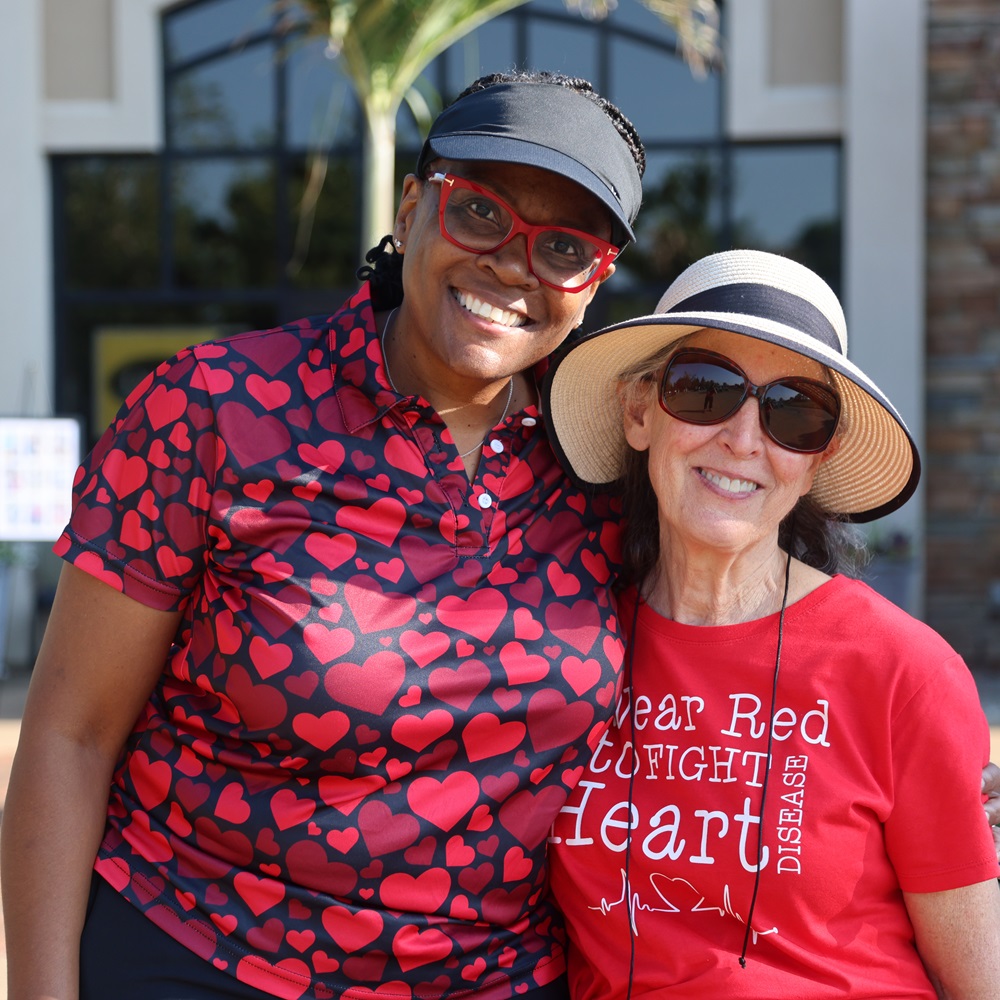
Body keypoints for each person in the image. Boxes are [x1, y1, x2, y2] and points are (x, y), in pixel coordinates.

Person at [0, 70, 645, 1000]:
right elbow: (69, 735)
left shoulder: (605, 468)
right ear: (415, 204)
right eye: (479, 213)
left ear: (595, 283)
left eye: (563, 248)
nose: (513, 265)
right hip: (201, 957)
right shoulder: (217, 409)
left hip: (496, 981)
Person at [543, 249, 1000, 998]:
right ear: (638, 412)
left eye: (795, 412)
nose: (745, 439)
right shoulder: (563, 647)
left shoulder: (903, 671)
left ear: (818, 459)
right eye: (706, 390)